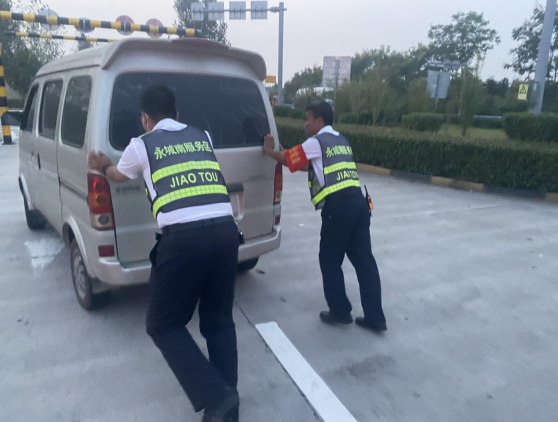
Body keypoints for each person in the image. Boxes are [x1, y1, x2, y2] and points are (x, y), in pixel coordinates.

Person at [88, 85, 239, 422]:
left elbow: (118, 175)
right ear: (177, 114)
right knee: (218, 321)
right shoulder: (202, 137)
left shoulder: (141, 144)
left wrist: (102, 164)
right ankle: (228, 408)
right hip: (226, 233)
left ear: (145, 118)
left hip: (184, 240)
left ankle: (217, 396)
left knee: (162, 324)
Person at [263, 101, 387, 332]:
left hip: (339, 207)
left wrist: (271, 152)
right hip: (359, 203)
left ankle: (340, 312)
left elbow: (290, 159)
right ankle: (376, 318)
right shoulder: (340, 140)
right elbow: (307, 165)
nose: (305, 124)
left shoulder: (316, 142)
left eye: (308, 118)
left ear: (319, 120)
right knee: (364, 262)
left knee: (329, 258)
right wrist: (283, 152)